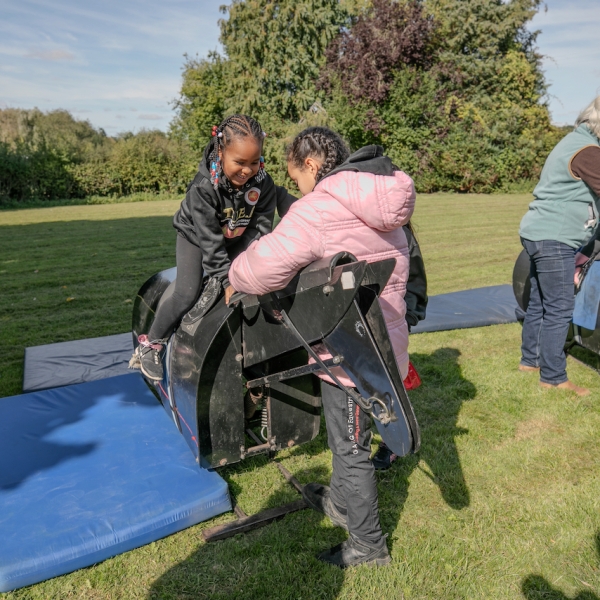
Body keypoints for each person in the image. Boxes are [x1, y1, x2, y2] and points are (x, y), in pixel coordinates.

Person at [227, 126, 416, 568]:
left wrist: (234, 275)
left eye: (296, 178)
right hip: (385, 341)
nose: (298, 188)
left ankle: (368, 546)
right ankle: (339, 502)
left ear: (310, 165)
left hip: (350, 350)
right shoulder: (383, 200)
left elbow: (263, 267)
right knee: (345, 435)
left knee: (350, 445)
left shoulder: (320, 208)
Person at [132, 114, 295, 380]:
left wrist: (244, 266)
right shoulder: (203, 188)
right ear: (221, 152)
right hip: (195, 237)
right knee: (187, 292)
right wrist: (226, 276)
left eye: (254, 162)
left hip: (236, 235)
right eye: (239, 162)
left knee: (254, 281)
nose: (247, 170)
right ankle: (151, 344)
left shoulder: (263, 183)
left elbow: (261, 228)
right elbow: (209, 240)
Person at [518, 95, 600, 396]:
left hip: (540, 232)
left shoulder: (576, 142)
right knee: (560, 307)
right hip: (555, 237)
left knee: (540, 302)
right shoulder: (588, 151)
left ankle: (530, 361)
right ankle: (553, 377)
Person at [372, 222, 427, 470]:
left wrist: (410, 315)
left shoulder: (399, 231)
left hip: (391, 323)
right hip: (357, 319)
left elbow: (415, 276)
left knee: (390, 387)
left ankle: (392, 442)